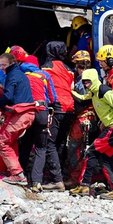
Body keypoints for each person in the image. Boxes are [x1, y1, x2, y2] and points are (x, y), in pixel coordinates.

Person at [70, 68, 113, 201]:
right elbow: (82, 98)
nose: (86, 85)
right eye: (84, 83)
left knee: (91, 152)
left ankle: (84, 185)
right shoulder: (94, 93)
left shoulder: (104, 91)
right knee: (104, 159)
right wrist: (69, 90)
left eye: (88, 82)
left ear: (94, 80)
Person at [0, 48, 41, 185]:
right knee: (11, 141)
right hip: (29, 113)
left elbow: (9, 95)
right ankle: (12, 171)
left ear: (12, 63)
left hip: (21, 113)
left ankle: (17, 174)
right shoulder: (20, 74)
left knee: (2, 141)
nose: (2, 68)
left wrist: (0, 105)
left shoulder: (12, 75)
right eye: (1, 65)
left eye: (4, 65)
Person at [22, 54, 64, 191]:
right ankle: (36, 182)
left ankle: (21, 176)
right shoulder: (44, 75)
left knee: (25, 145)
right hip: (41, 112)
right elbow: (52, 97)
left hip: (27, 112)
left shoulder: (22, 75)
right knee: (41, 148)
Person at [41, 41, 75, 181]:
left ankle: (56, 177)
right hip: (70, 108)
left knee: (49, 142)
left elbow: (42, 88)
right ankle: (60, 170)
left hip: (56, 107)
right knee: (61, 141)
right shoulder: (69, 69)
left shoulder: (45, 68)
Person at [66, 50, 96, 184]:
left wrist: (70, 92)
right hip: (93, 118)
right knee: (88, 149)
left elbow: (82, 102)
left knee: (75, 148)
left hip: (82, 119)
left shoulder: (81, 81)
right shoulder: (95, 78)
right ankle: (86, 177)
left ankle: (75, 178)